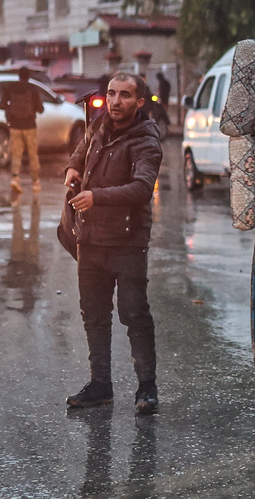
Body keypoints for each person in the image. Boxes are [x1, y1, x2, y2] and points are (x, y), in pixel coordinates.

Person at [64, 73, 163, 413]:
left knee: (134, 314)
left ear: (139, 102)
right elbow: (83, 148)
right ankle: (101, 386)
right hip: (90, 239)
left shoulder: (146, 139)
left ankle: (146, 389)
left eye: (124, 95)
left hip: (127, 241)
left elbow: (141, 188)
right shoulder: (99, 126)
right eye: (111, 93)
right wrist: (73, 168)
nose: (115, 101)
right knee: (94, 315)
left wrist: (97, 197)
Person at [0, 68, 45, 193]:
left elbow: (1, 105)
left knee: (16, 154)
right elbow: (40, 109)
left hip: (15, 126)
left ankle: (15, 178)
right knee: (33, 154)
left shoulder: (11, 87)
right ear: (29, 76)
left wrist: (10, 110)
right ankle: (35, 182)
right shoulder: (32, 88)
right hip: (30, 126)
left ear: (18, 75)